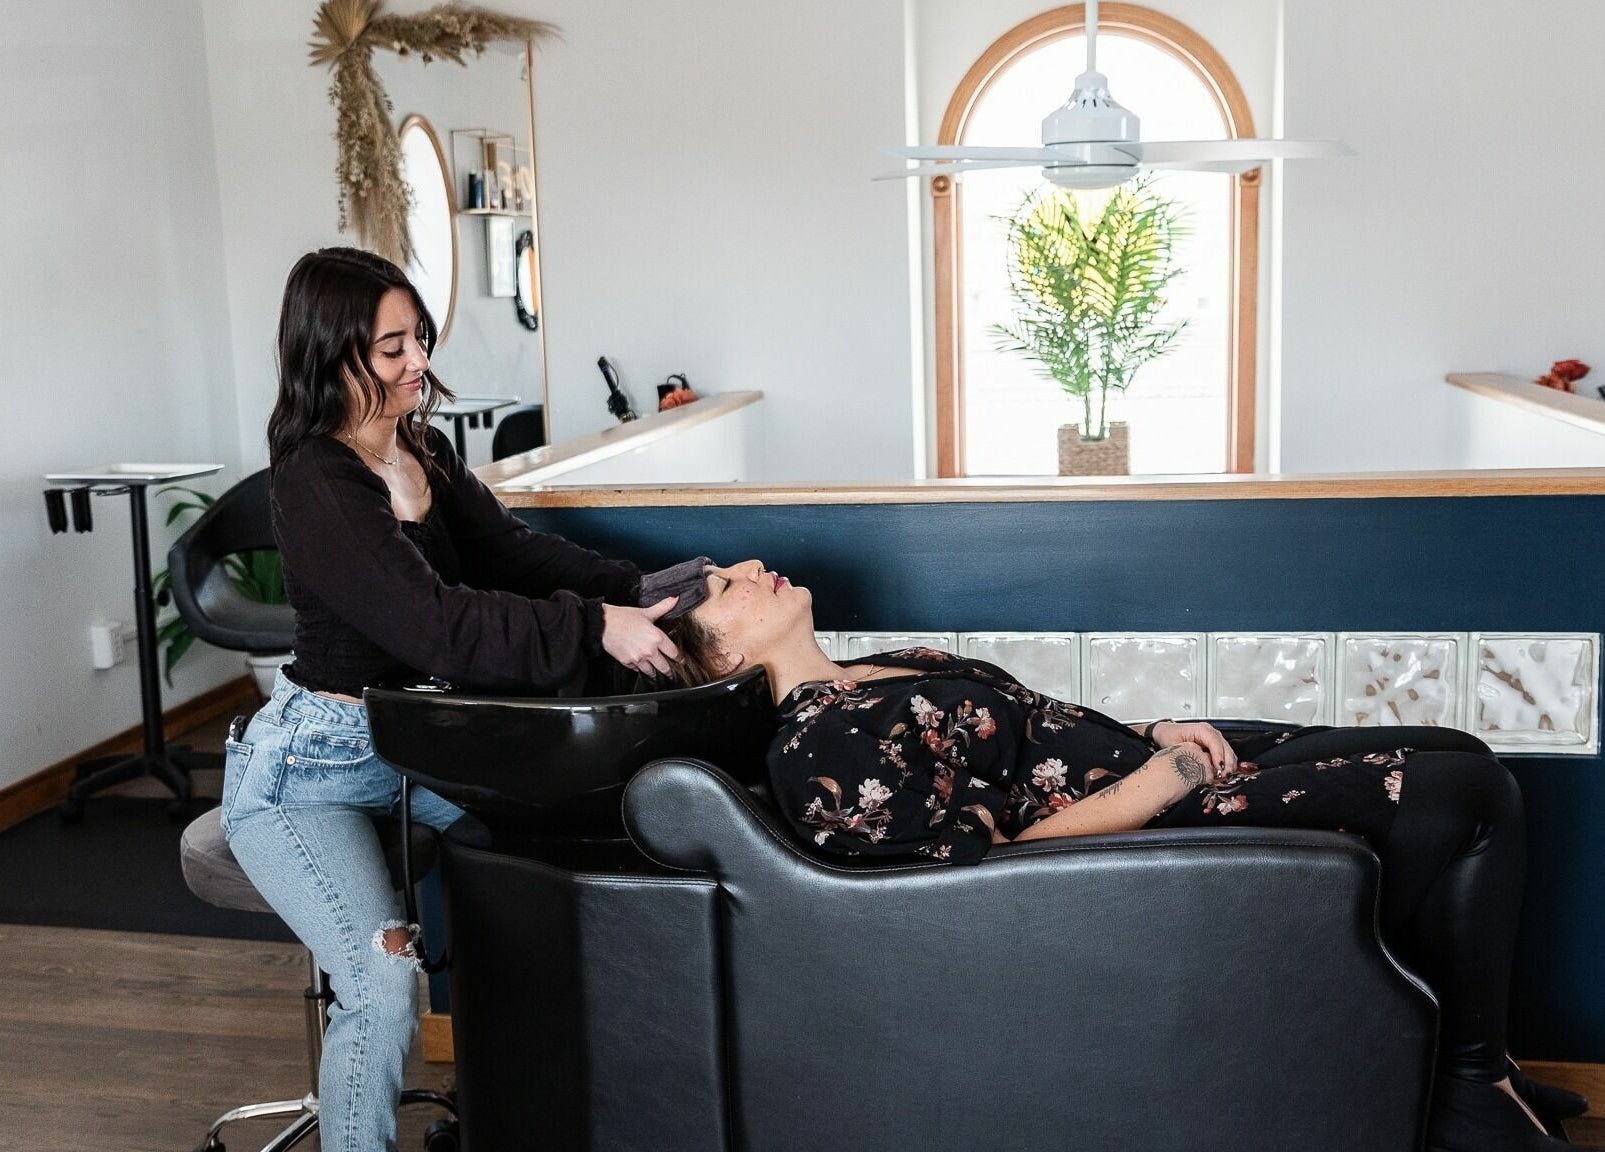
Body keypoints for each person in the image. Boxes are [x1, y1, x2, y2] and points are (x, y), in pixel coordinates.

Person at [663, 558, 1593, 1152]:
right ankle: (1469, 1091)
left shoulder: (878, 668)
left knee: (1461, 752)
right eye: (724, 589)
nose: (751, 567)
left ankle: (1477, 1069)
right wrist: (1167, 779)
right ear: (721, 654)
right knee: (1468, 798)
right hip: (1146, 822)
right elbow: (980, 883)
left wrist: (1158, 730)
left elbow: (1032, 727)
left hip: (1153, 762)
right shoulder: (821, 745)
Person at [219, 247, 694, 1152]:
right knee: (385, 986)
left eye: (418, 339)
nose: (417, 364)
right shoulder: (315, 479)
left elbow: (511, 554)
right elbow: (433, 627)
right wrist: (593, 626)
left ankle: (543, 1108)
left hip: (416, 744)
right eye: (390, 347)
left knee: (570, 850)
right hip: (306, 775)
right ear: (332, 353)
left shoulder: (421, 446)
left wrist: (637, 590)